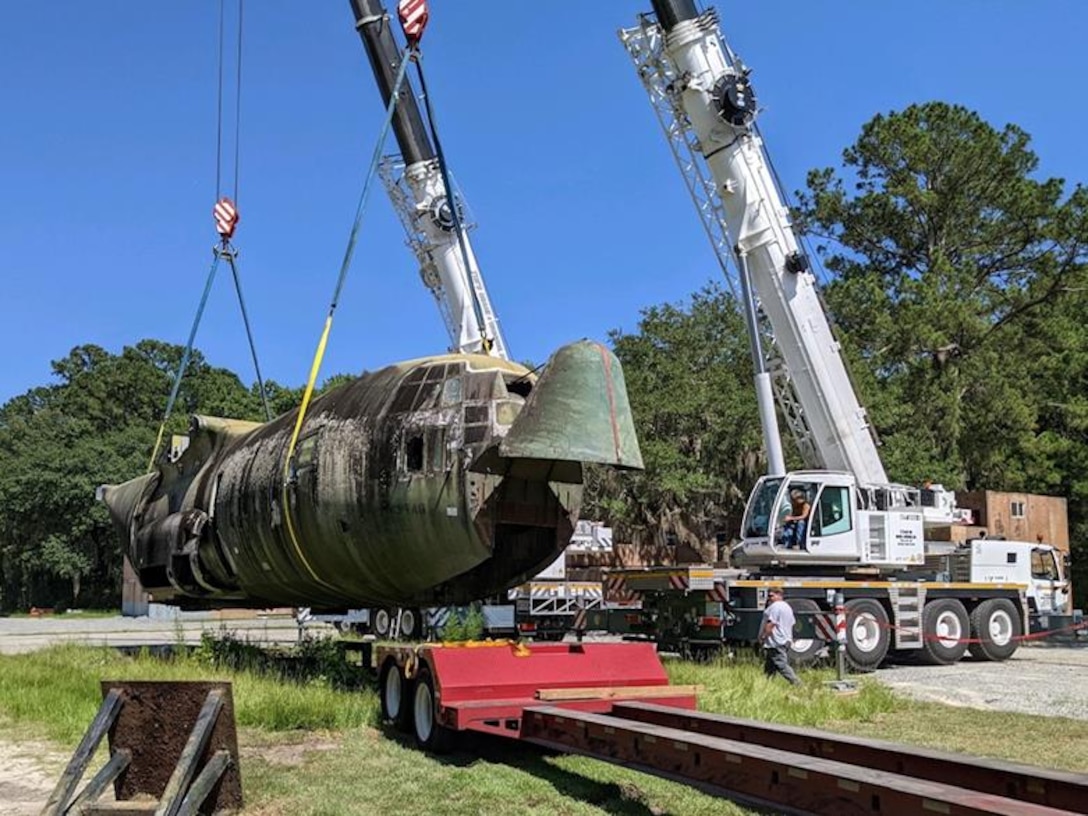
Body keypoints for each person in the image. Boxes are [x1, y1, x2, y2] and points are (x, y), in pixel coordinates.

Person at [760, 588, 800, 685]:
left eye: (771, 596)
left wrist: (763, 636)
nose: (769, 598)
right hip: (784, 639)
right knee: (770, 666)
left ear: (779, 595)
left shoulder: (775, 607)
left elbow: (771, 623)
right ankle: (766, 685)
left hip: (776, 641)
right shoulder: (787, 607)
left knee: (781, 664)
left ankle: (797, 684)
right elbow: (792, 623)